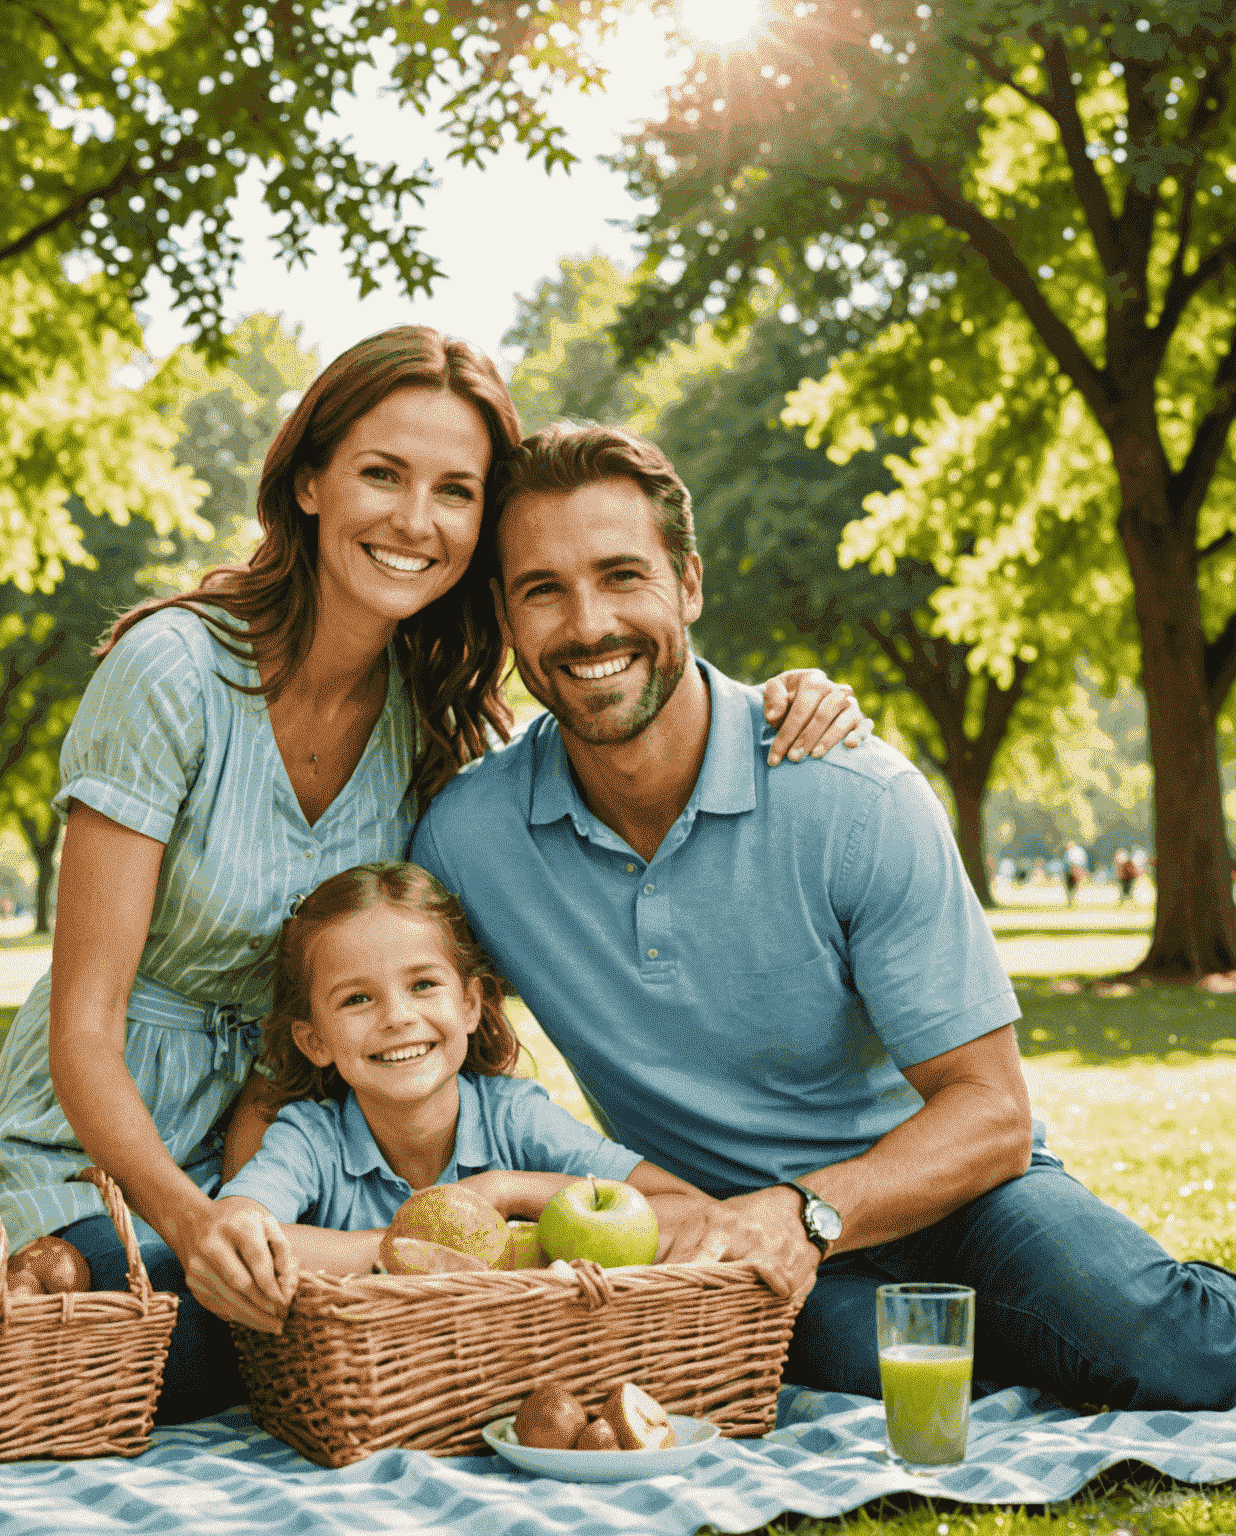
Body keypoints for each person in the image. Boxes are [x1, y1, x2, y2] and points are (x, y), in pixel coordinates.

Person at [0, 329, 863, 1423]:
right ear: (309, 480)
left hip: (288, 1153)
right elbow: (85, 1019)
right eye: (382, 474)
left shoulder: (429, 719)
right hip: (106, 1137)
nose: (417, 520)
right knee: (147, 1340)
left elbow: (618, 710)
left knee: (304, 1344)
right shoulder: (171, 671)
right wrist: (192, 1217)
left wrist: (775, 699)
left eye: (455, 490)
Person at [405, 420, 1236, 1412]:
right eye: (544, 589)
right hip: (728, 1242)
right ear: (504, 612)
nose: (588, 625)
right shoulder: (468, 839)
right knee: (866, 1381)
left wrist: (803, 1213)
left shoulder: (853, 796)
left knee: (1155, 1341)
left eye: (623, 575)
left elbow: (994, 1114)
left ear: (690, 586)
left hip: (957, 1194)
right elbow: (422, 1039)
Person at [205, 861, 741, 1307]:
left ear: (469, 1004)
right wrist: (424, 1245)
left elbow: (690, 1210)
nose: (397, 1017)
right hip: (374, 1395)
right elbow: (237, 1232)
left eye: (423, 985)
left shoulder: (514, 1117)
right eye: (357, 998)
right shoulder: (310, 1139)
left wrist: (506, 1191)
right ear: (313, 1039)